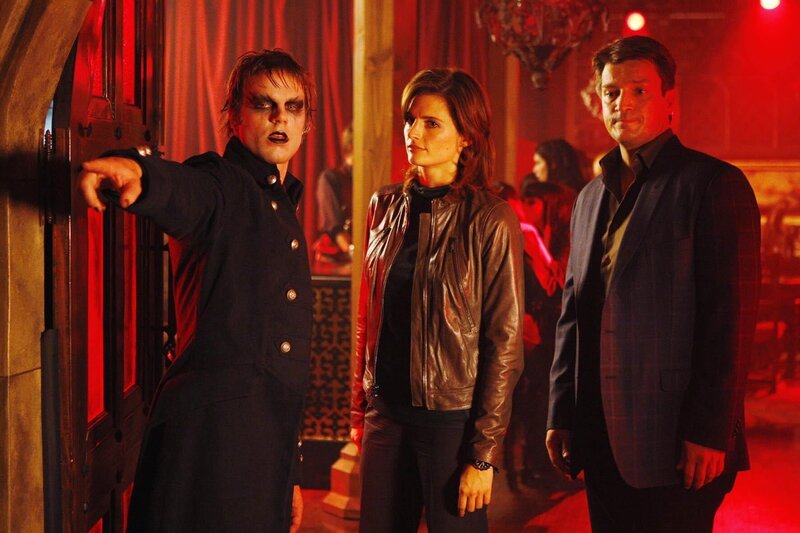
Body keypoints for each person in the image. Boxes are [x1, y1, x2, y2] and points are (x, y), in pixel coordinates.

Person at [78, 49, 316, 532]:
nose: (280, 118)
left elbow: (282, 367)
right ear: (233, 115)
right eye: (263, 104)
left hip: (263, 450)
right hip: (209, 446)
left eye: (293, 107)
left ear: (307, 123)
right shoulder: (221, 183)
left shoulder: (282, 203)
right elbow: (186, 190)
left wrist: (288, 472)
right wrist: (139, 173)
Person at [546, 36, 760, 532]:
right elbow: (572, 316)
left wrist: (710, 430)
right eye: (611, 92)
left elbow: (730, 320)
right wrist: (560, 413)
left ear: (669, 99)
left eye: (638, 90)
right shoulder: (588, 198)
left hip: (678, 436)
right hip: (599, 434)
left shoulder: (713, 183)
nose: (622, 103)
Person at [350, 68, 524, 532]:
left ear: (466, 137)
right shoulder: (384, 206)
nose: (413, 133)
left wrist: (484, 453)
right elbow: (368, 318)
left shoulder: (490, 219)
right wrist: (358, 410)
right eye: (411, 119)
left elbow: (504, 342)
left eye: (431, 123)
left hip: (451, 421)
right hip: (385, 414)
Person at [313, 122, 353, 269]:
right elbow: (335, 228)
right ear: (352, 147)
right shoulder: (330, 178)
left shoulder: (366, 180)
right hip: (334, 263)